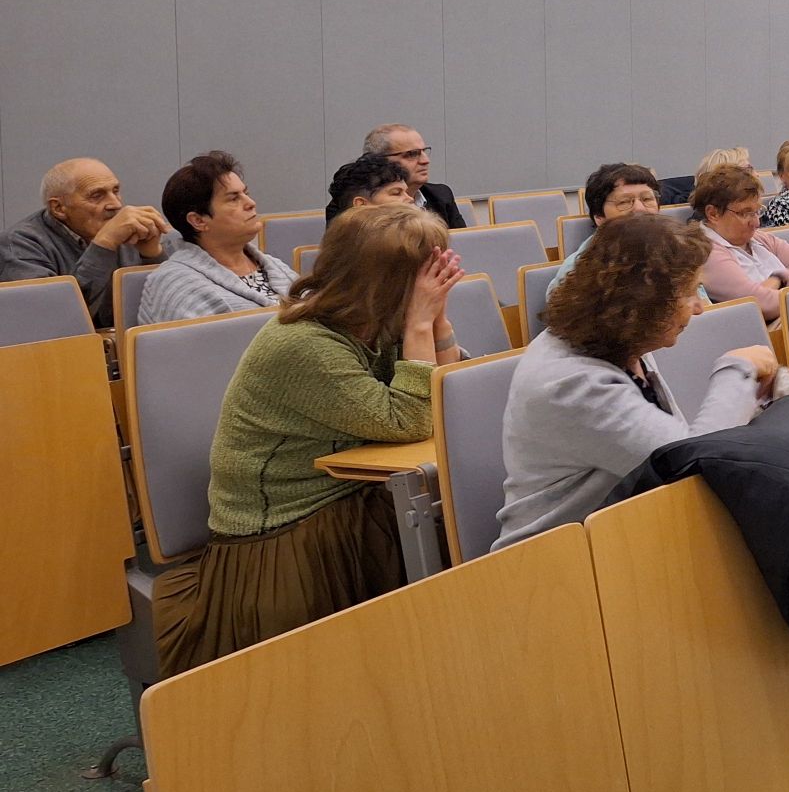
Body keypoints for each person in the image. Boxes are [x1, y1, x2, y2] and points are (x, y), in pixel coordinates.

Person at [151, 206, 466, 675]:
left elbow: (449, 394)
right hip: (284, 533)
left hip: (354, 498)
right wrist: (421, 324)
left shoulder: (374, 321)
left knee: (455, 543)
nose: (436, 283)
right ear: (390, 282)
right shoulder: (302, 344)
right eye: (428, 276)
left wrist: (437, 323)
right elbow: (411, 420)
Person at [495, 215, 783, 550]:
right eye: (688, 293)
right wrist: (738, 370)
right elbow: (691, 463)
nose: (700, 308)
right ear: (642, 302)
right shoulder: (570, 382)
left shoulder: (621, 342)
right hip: (555, 565)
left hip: (623, 535)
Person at [1, 158, 171, 327]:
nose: (116, 204)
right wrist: (104, 243)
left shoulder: (129, 231)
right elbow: (52, 322)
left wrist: (151, 254)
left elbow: (165, 308)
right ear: (58, 208)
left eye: (116, 191)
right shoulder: (19, 245)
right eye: (97, 196)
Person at [136, 151, 297, 324]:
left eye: (246, 193)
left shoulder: (275, 266)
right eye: (234, 198)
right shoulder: (173, 284)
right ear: (198, 220)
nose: (251, 203)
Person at [691, 164, 789, 323]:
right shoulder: (707, 251)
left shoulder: (759, 238)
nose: (756, 222)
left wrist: (780, 278)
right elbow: (759, 304)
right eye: (745, 213)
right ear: (713, 214)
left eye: (757, 211)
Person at [548, 162, 662, 299]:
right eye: (624, 202)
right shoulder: (578, 272)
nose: (640, 208)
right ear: (599, 217)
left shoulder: (676, 249)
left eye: (647, 199)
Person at [363, 123, 466, 228]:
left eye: (424, 151)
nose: (425, 160)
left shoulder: (441, 195)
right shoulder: (368, 202)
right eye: (412, 154)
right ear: (378, 161)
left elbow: (462, 242)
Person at [324, 153, 413, 223]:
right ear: (361, 205)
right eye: (396, 193)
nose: (410, 199)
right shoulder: (347, 245)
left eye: (406, 192)